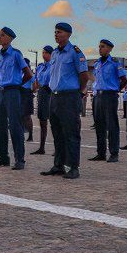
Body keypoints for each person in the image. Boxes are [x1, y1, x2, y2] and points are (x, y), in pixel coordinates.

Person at [40, 22, 88, 179]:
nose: (56, 34)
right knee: (57, 133)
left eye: (59, 32)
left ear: (68, 34)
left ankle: (74, 167)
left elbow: (84, 76)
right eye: (55, 32)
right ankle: (58, 165)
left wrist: (78, 92)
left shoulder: (75, 52)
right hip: (54, 96)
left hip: (69, 96)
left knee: (71, 133)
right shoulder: (54, 53)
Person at [0, 27, 32, 170]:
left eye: (2, 35)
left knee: (15, 126)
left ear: (10, 38)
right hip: (0, 92)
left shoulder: (16, 54)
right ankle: (3, 157)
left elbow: (28, 74)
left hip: (12, 91)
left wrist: (18, 85)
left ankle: (20, 159)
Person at [90, 39, 127, 163]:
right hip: (97, 96)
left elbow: (124, 80)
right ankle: (101, 153)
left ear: (110, 49)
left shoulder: (115, 63)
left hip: (109, 96)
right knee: (99, 125)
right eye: (99, 46)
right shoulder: (97, 64)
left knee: (112, 125)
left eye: (103, 46)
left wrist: (116, 89)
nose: (100, 48)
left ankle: (114, 153)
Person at [31, 46, 53, 155]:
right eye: (43, 52)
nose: (43, 54)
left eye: (46, 52)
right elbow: (36, 81)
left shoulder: (54, 66)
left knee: (54, 121)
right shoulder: (40, 67)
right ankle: (42, 147)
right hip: (42, 92)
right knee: (42, 121)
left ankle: (58, 148)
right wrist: (34, 89)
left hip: (51, 92)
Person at [22, 58, 35, 142]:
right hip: (20, 93)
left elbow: (35, 84)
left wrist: (31, 91)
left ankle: (30, 135)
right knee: (19, 115)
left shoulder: (29, 73)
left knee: (27, 116)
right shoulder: (19, 72)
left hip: (27, 93)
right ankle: (21, 133)